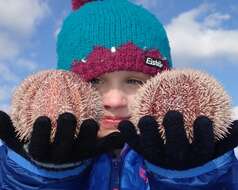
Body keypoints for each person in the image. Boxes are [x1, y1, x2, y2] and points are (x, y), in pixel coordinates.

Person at [0, 0, 238, 189]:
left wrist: (191, 179)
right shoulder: (17, 162)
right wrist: (38, 176)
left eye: (133, 81)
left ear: (164, 87)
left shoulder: (211, 162)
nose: (114, 101)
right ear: (64, 88)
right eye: (94, 81)